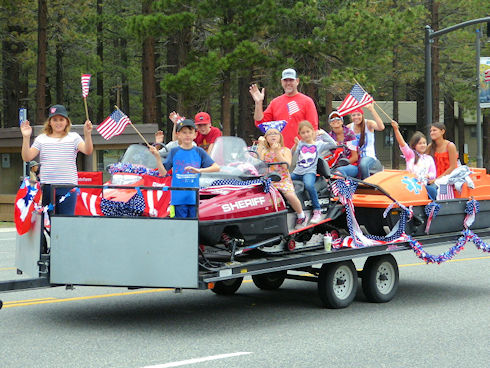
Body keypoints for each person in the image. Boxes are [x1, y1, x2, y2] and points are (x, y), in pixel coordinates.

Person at [20, 104, 93, 215]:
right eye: (54, 119)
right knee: (48, 221)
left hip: (68, 186)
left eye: (61, 119)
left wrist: (87, 134)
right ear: (50, 122)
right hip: (48, 186)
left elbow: (88, 150)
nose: (58, 123)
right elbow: (27, 157)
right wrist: (26, 137)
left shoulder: (74, 137)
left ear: (67, 121)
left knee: (65, 221)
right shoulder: (41, 139)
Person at [149, 119, 219, 218]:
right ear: (178, 134)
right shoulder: (174, 151)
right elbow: (163, 173)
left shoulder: (199, 151)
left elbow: (216, 167)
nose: (187, 135)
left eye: (190, 132)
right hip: (178, 198)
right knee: (181, 227)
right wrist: (157, 157)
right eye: (184, 132)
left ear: (195, 135)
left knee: (193, 227)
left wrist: (199, 170)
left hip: (193, 197)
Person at [250, 68, 319, 149]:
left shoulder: (307, 102)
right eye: (286, 80)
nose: (288, 83)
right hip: (279, 151)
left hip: (301, 150)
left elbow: (313, 129)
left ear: (297, 81)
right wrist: (258, 103)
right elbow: (260, 122)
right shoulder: (275, 102)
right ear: (281, 82)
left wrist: (309, 149)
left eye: (291, 80)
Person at [257, 126, 308, 230]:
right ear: (266, 138)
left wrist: (277, 152)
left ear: (280, 137)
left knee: (289, 194)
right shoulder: (264, 151)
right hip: (267, 179)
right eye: (270, 134)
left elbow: (286, 166)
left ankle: (301, 215)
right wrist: (260, 146)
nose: (273, 136)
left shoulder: (285, 150)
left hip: (282, 179)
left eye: (275, 133)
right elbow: (258, 163)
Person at [291, 120, 337, 224]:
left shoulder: (318, 144)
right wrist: (294, 147)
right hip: (298, 172)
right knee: (285, 181)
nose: (306, 134)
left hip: (309, 172)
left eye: (308, 131)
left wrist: (324, 134)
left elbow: (333, 144)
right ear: (300, 134)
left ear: (312, 132)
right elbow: (292, 158)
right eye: (303, 133)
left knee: (309, 185)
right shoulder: (300, 144)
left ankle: (317, 210)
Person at [391, 120, 437, 200]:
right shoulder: (410, 155)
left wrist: (427, 176)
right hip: (411, 186)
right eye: (420, 143)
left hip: (423, 186)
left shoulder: (429, 158)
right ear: (414, 145)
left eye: (424, 143)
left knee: (432, 190)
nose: (423, 145)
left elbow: (433, 174)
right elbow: (402, 143)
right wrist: (396, 129)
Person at [346, 103, 384, 179]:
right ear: (351, 117)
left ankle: (366, 184)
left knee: (363, 164)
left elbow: (381, 127)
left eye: (358, 114)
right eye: (353, 115)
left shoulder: (368, 124)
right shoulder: (349, 127)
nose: (356, 117)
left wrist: (372, 110)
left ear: (362, 115)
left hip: (368, 156)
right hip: (355, 156)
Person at [323, 111, 359, 178]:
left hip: (351, 165)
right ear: (330, 123)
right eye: (332, 120)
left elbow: (355, 157)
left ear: (342, 122)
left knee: (339, 171)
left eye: (338, 119)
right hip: (333, 166)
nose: (335, 121)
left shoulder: (350, 134)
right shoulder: (328, 137)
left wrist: (343, 164)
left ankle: (342, 187)